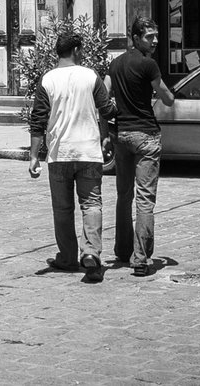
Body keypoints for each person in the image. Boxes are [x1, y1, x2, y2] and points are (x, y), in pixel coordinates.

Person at [28, 32, 116, 283]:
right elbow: (106, 109)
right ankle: (90, 253)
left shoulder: (47, 80)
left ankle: (66, 257)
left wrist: (34, 157)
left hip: (59, 154)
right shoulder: (90, 76)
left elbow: (38, 120)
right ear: (76, 50)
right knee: (91, 204)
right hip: (88, 152)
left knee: (62, 209)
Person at [105, 17, 175, 277]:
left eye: (156, 35)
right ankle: (141, 259)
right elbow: (168, 98)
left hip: (122, 135)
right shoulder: (148, 64)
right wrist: (162, 93)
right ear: (135, 38)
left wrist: (109, 122)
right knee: (145, 199)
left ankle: (122, 250)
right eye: (149, 36)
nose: (155, 41)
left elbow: (103, 92)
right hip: (146, 136)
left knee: (124, 195)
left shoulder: (115, 64)